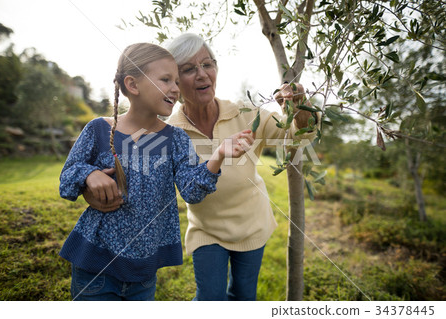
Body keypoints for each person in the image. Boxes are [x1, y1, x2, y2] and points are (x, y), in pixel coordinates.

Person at [84, 34, 319, 301]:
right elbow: (139, 176)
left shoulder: (246, 113)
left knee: (244, 296)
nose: (202, 74)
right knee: (210, 298)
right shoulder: (169, 132)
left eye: (208, 64)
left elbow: (299, 136)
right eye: (188, 69)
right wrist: (90, 184)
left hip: (252, 225)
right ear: (174, 82)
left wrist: (300, 107)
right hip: (206, 231)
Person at [59, 42, 254, 301]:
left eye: (176, 81)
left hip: (144, 273)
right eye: (166, 80)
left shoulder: (176, 139)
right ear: (133, 85)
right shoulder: (98, 129)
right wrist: (88, 175)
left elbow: (192, 191)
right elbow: (67, 179)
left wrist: (217, 156)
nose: (175, 88)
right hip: (95, 266)